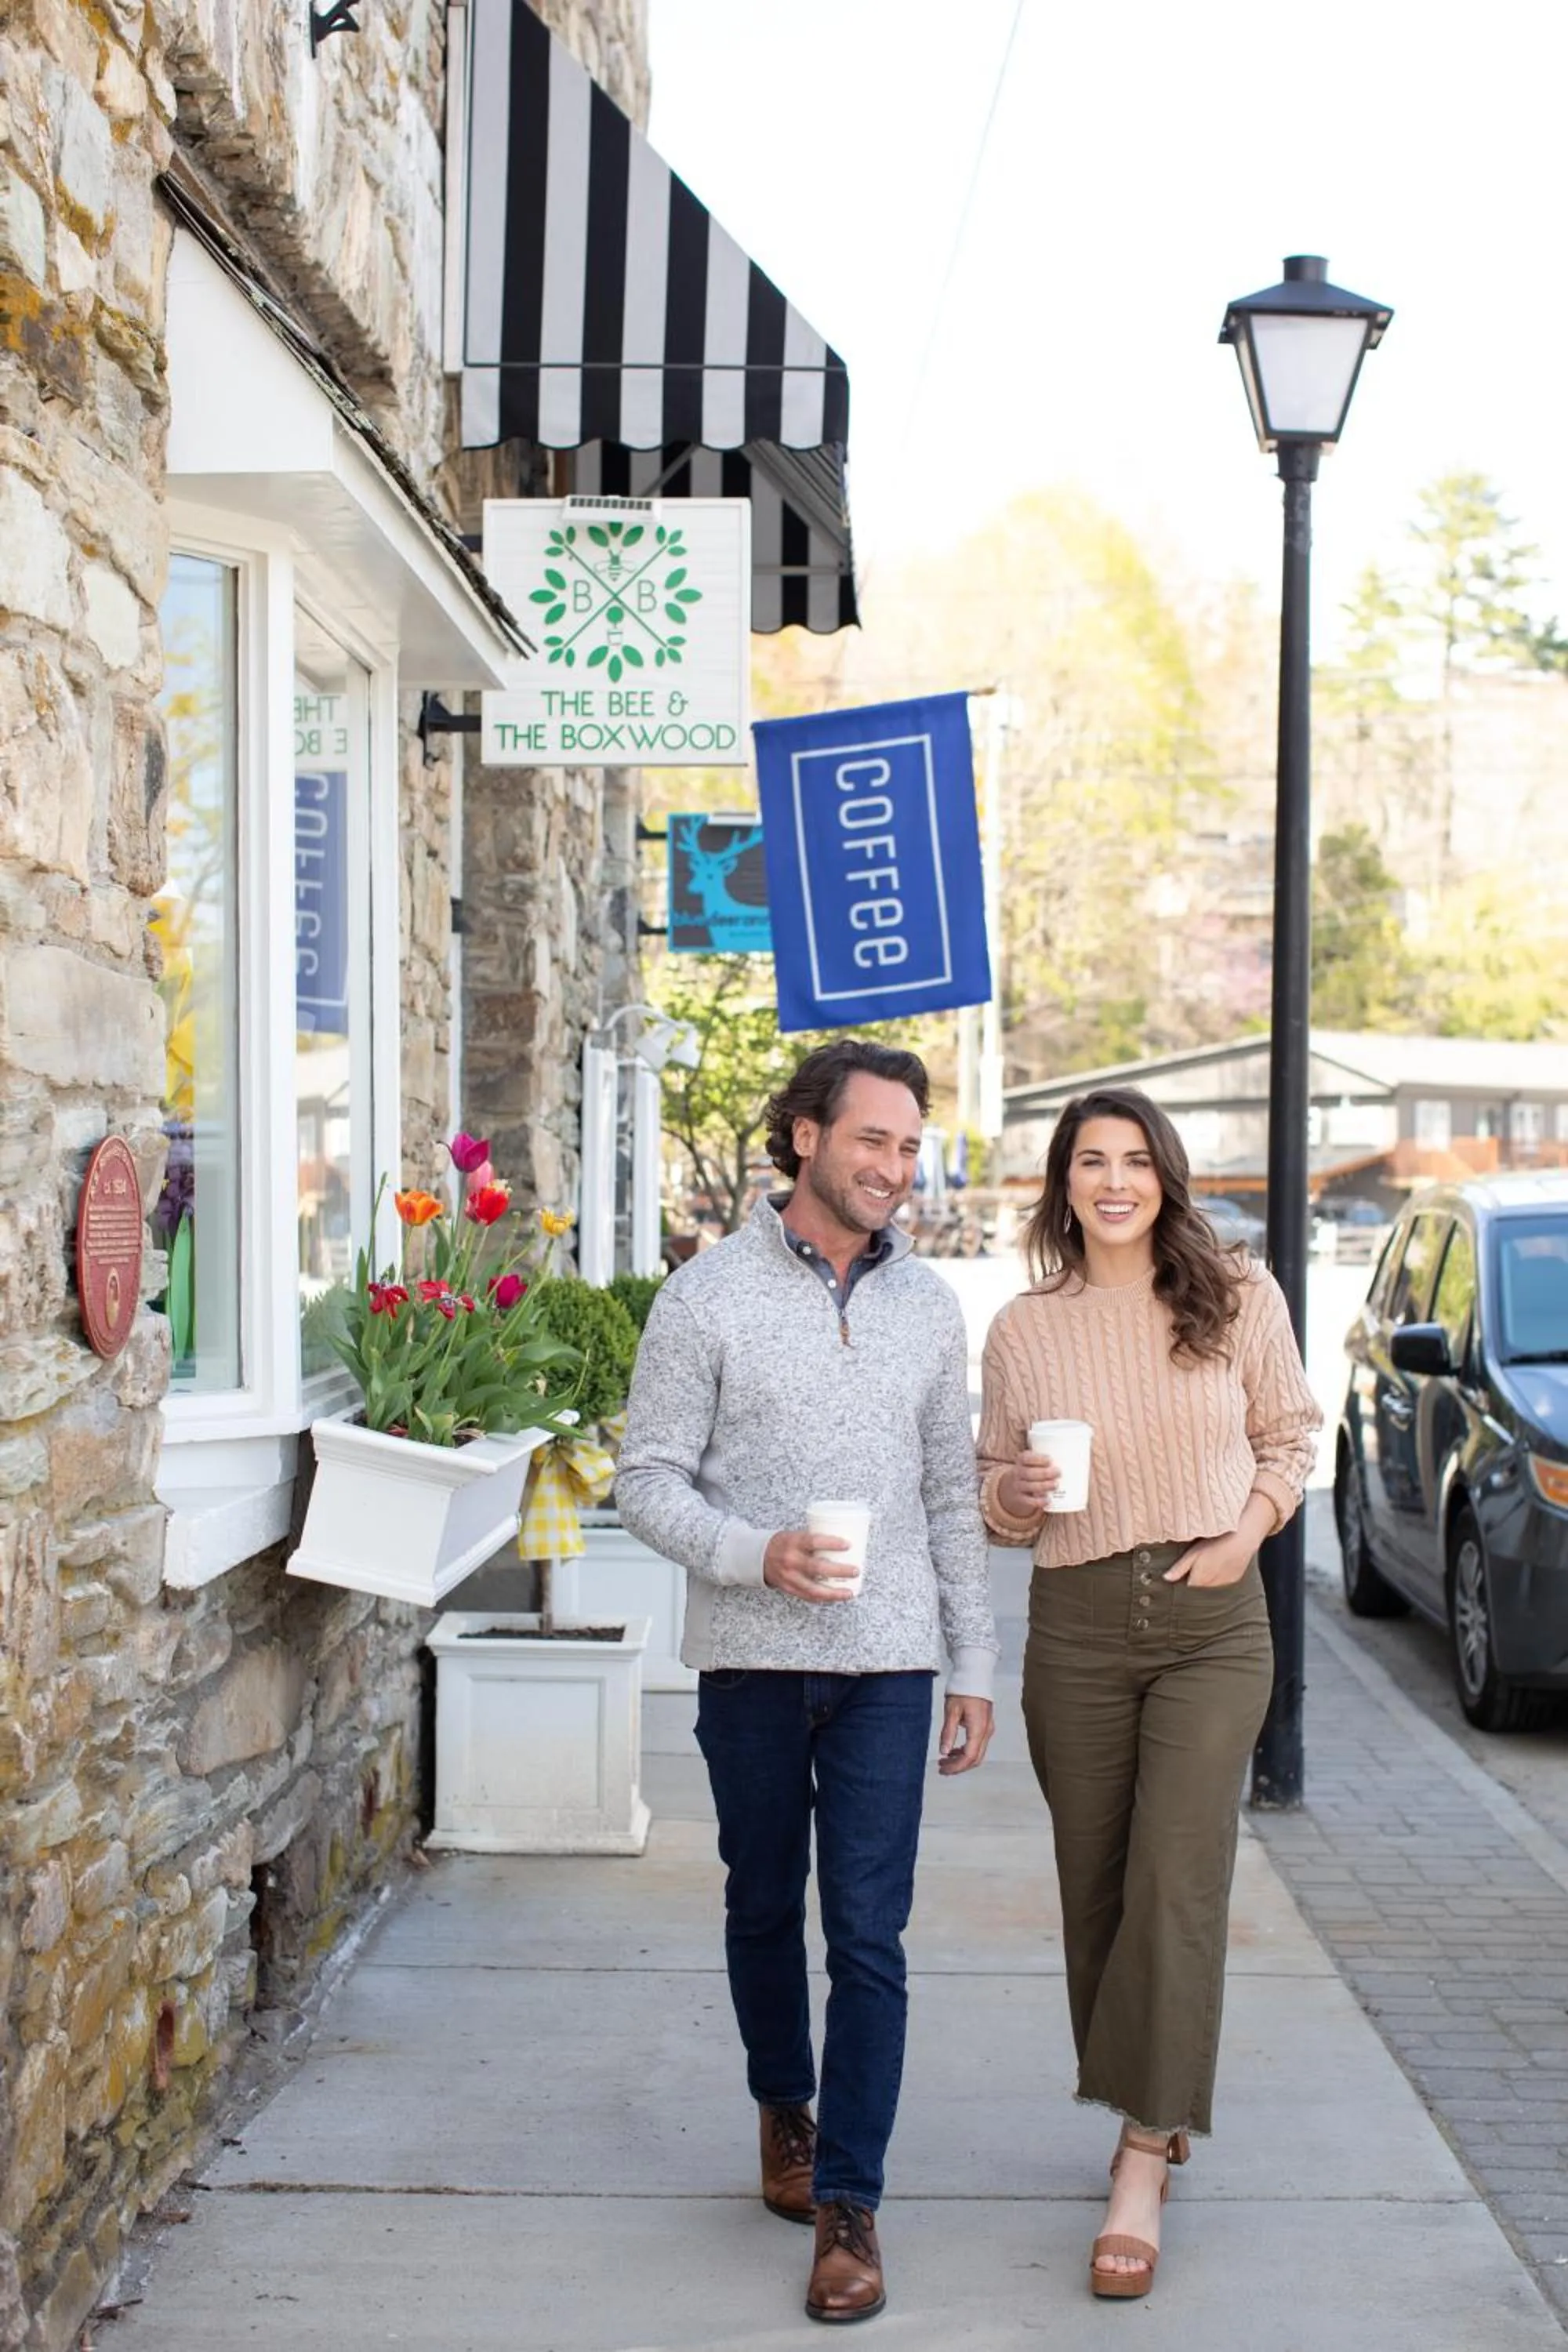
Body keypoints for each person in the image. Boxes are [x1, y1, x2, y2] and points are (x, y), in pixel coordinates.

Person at [616, 1038, 998, 2328]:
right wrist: (754, 1554)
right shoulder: (706, 1297)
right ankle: (784, 2103)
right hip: (751, 1661)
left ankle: (850, 2205)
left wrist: (973, 1661)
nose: (893, 1166)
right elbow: (645, 1480)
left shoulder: (928, 1307)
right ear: (805, 1137)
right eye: (872, 1139)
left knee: (871, 1935)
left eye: (909, 1145)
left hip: (889, 1662)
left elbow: (949, 1496)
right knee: (763, 1902)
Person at [976, 1086, 1320, 2302]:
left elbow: (1292, 1437)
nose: (1113, 1181)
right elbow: (993, 1494)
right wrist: (1015, 1493)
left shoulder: (1238, 1295)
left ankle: (1139, 2156)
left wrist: (1246, 1534)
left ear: (1166, 1177)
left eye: (1134, 1160)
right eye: (1090, 1161)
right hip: (1074, 1623)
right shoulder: (1022, 1328)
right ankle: (1155, 2099)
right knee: (1100, 1889)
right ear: (1063, 1184)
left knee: (1176, 1876)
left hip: (1211, 1623)